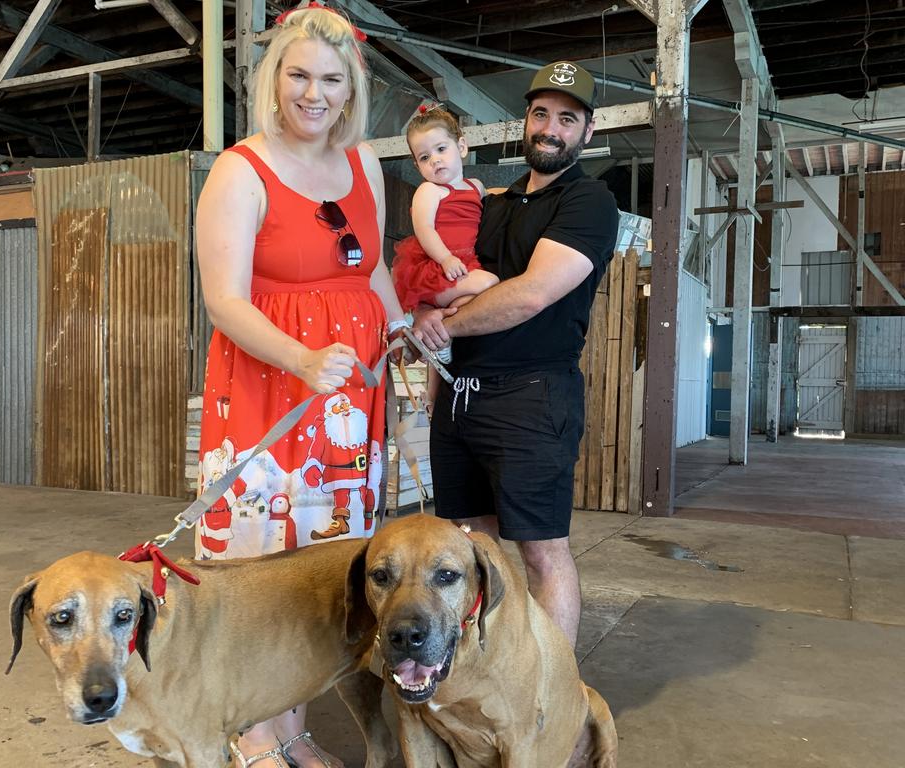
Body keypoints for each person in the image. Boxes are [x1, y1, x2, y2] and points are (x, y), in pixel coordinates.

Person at [194, 6, 405, 767]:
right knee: (263, 565)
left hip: (350, 396)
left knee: (324, 570)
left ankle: (293, 729)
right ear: (273, 79)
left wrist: (399, 328)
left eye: (330, 80)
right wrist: (304, 358)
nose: (313, 95)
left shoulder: (366, 166)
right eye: (298, 76)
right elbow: (224, 299)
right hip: (269, 393)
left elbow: (370, 266)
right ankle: (253, 734)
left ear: (351, 90)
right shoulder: (239, 169)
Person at [411, 61, 620, 649]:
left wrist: (442, 329)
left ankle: (550, 693)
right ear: (525, 121)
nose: (551, 128)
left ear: (587, 129)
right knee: (470, 544)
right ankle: (487, 668)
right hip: (460, 395)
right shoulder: (492, 203)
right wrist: (426, 312)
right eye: (541, 115)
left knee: (541, 549)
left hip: (532, 396)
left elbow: (529, 294)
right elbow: (444, 276)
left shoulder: (589, 202)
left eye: (567, 118)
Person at [390, 107, 499, 370]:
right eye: (425, 157)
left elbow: (491, 198)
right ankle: (443, 335)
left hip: (463, 263)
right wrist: (445, 258)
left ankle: (437, 336)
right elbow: (424, 229)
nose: (435, 160)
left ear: (461, 146)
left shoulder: (476, 186)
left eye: (441, 149)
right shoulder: (429, 190)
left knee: (467, 303)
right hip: (437, 267)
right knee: (490, 282)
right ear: (416, 165)